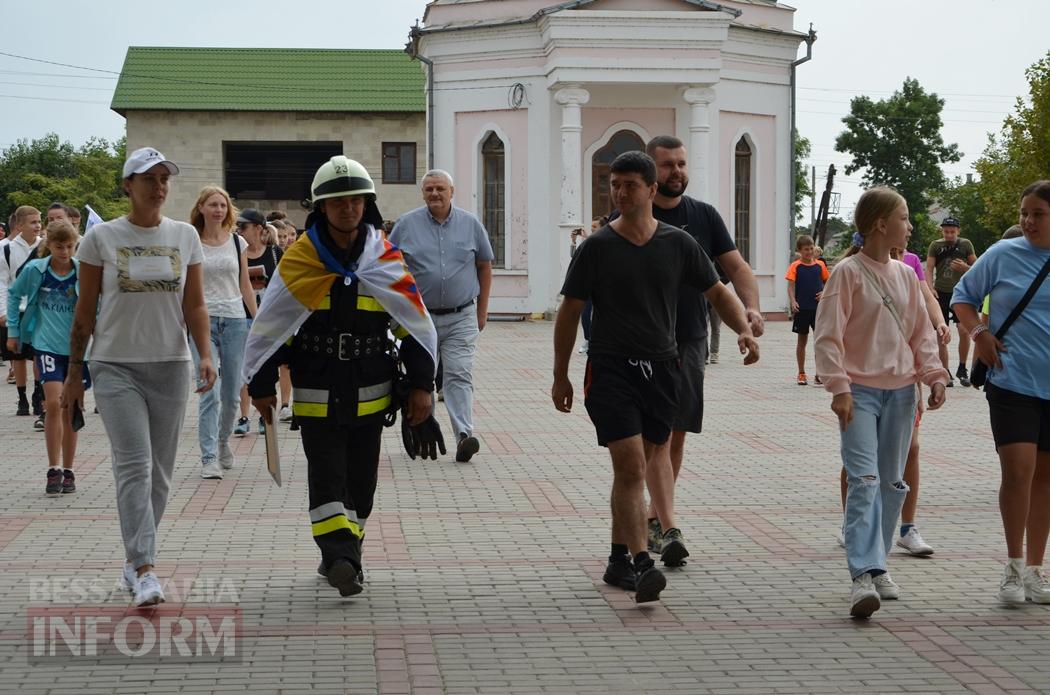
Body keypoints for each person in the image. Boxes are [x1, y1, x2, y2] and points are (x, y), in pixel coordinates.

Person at [552, 151, 759, 604]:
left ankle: (615, 559)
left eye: (629, 185)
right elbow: (569, 312)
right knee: (629, 465)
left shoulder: (679, 244)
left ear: (650, 190)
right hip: (610, 369)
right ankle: (643, 563)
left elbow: (718, 291)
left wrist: (744, 328)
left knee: (641, 465)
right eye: (614, 184)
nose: (620, 193)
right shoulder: (597, 247)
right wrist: (560, 375)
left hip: (663, 368)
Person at [244, 155, 438, 597]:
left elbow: (414, 327)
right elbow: (275, 327)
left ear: (366, 206)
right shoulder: (301, 259)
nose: (347, 209)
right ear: (321, 209)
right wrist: (260, 386)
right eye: (337, 202)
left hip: (372, 392)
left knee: (362, 485)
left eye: (355, 201)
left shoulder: (385, 259)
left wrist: (423, 386)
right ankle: (339, 557)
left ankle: (349, 550)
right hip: (317, 389)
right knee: (327, 474)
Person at [62, 146, 216, 607]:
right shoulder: (101, 238)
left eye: (164, 177)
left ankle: (133, 560)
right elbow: (84, 311)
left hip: (170, 365)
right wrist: (75, 373)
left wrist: (205, 354)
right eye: (148, 178)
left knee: (161, 475)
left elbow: (195, 305)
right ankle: (146, 568)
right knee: (134, 466)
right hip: (114, 365)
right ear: (128, 185)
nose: (159, 186)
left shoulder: (184, 235)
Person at [815, 186, 948, 618]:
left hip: (901, 394)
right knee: (865, 481)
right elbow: (828, 334)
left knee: (892, 483)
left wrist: (934, 376)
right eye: (905, 217)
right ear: (879, 224)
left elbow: (920, 334)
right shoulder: (848, 273)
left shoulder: (907, 275)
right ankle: (862, 576)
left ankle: (880, 563)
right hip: (860, 394)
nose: (910, 226)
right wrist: (839, 388)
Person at [636, 135, 765, 559]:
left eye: (682, 164)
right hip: (640, 342)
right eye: (668, 165)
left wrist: (751, 311)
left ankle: (657, 517)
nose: (678, 172)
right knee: (641, 440)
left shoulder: (704, 216)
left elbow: (736, 267)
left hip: (690, 338)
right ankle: (646, 519)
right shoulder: (634, 215)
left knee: (676, 434)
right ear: (652, 173)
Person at [951, 181, 1050, 605]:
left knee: (1045, 479)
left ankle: (1035, 570)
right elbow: (962, 297)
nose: (1027, 221)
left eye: (1037, 214)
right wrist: (979, 334)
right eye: (1024, 212)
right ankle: (1012, 568)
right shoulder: (1001, 254)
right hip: (1012, 381)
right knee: (1018, 471)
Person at [390, 169, 493, 463]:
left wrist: (482, 311)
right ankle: (424, 434)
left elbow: (484, 265)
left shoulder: (471, 224)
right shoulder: (406, 225)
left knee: (459, 372)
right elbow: (390, 269)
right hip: (420, 318)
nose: (435, 194)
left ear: (452, 191)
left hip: (462, 315)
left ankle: (464, 435)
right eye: (429, 189)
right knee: (422, 377)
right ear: (423, 193)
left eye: (440, 189)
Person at [6, 220, 88, 494]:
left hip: (76, 349)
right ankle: (53, 468)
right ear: (48, 245)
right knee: (53, 403)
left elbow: (96, 305)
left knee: (71, 407)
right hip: (45, 345)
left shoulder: (82, 273)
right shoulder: (35, 270)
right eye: (58, 246)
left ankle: (69, 468)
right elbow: (14, 293)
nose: (64, 252)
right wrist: (14, 331)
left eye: (69, 246)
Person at [188, 186, 258, 479]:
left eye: (223, 205)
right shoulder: (191, 241)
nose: (218, 210)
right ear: (201, 208)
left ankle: (222, 440)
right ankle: (208, 457)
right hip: (202, 322)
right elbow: (185, 285)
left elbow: (245, 284)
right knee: (209, 392)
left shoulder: (236, 242)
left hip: (234, 321)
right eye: (212, 205)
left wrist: (258, 320)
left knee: (231, 396)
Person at [233, 208, 284, 435]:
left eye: (243, 227)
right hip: (240, 317)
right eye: (237, 227)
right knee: (241, 369)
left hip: (268, 321)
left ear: (258, 228)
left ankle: (266, 416)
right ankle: (243, 417)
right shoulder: (235, 253)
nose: (239, 231)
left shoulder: (275, 253)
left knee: (265, 366)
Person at [0, 206, 43, 417]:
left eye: (39, 221)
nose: (38, 226)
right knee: (16, 356)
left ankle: (37, 393)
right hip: (16, 310)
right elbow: (2, 282)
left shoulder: (45, 246)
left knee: (37, 355)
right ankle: (22, 397)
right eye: (33, 222)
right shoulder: (5, 248)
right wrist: (3, 312)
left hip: (38, 309)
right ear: (19, 225)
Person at [926, 217, 977, 387]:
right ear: (942, 231)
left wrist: (965, 268)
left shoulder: (965, 245)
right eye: (946, 231)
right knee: (942, 333)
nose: (949, 235)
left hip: (961, 292)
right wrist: (930, 288)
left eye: (952, 231)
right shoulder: (936, 245)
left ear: (958, 231)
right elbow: (929, 268)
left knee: (964, 330)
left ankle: (962, 368)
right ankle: (945, 370)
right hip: (941, 293)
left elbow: (977, 268)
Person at [786, 234, 829, 385]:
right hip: (802, 309)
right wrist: (793, 301)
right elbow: (790, 286)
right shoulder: (795, 266)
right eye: (806, 249)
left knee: (820, 342)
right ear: (799, 250)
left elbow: (828, 283)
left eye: (811, 249)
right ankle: (801, 373)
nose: (809, 252)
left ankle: (820, 373)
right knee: (802, 342)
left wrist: (824, 292)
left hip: (818, 309)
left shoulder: (820, 265)